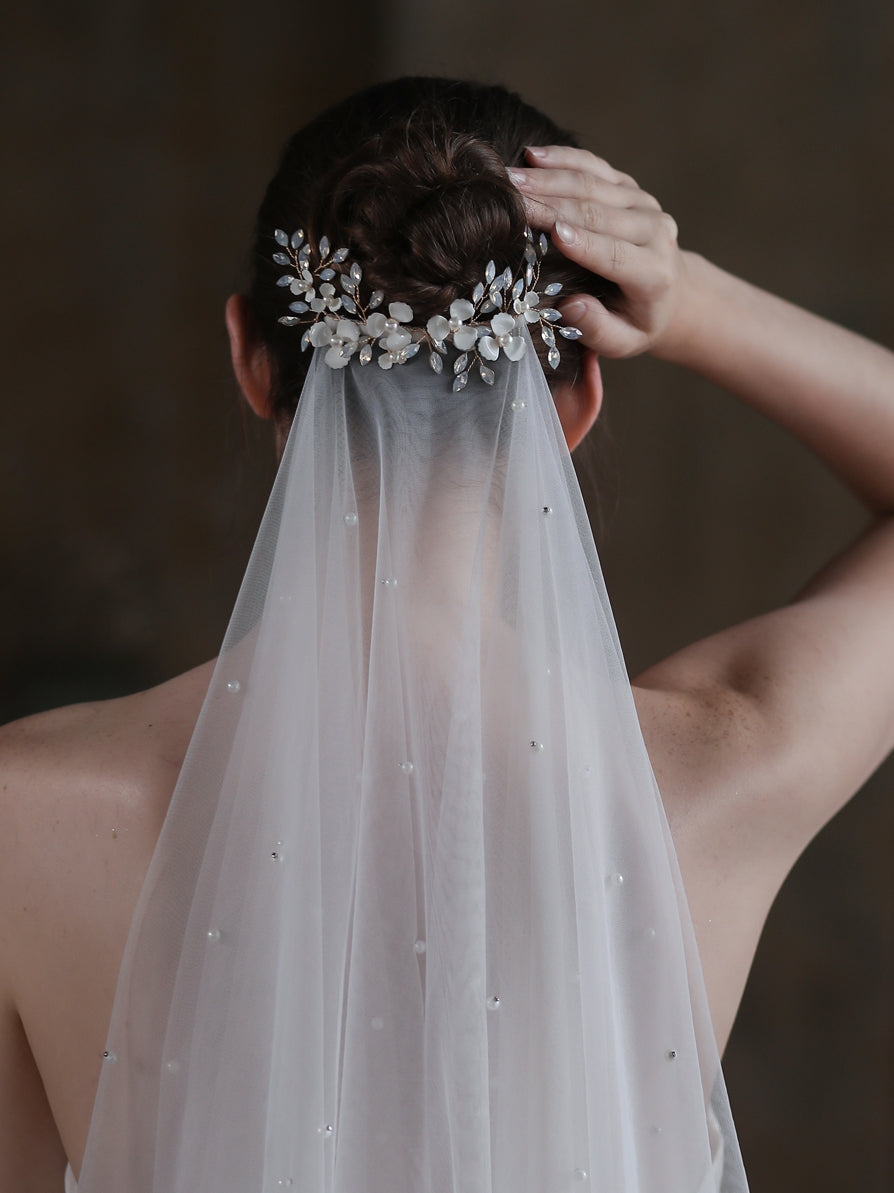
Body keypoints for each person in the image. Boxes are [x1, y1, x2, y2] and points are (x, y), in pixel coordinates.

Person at [1, 75, 892, 1192]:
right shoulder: (716, 773)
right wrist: (697, 301)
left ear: (252, 361)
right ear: (573, 405)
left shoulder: (19, 817)